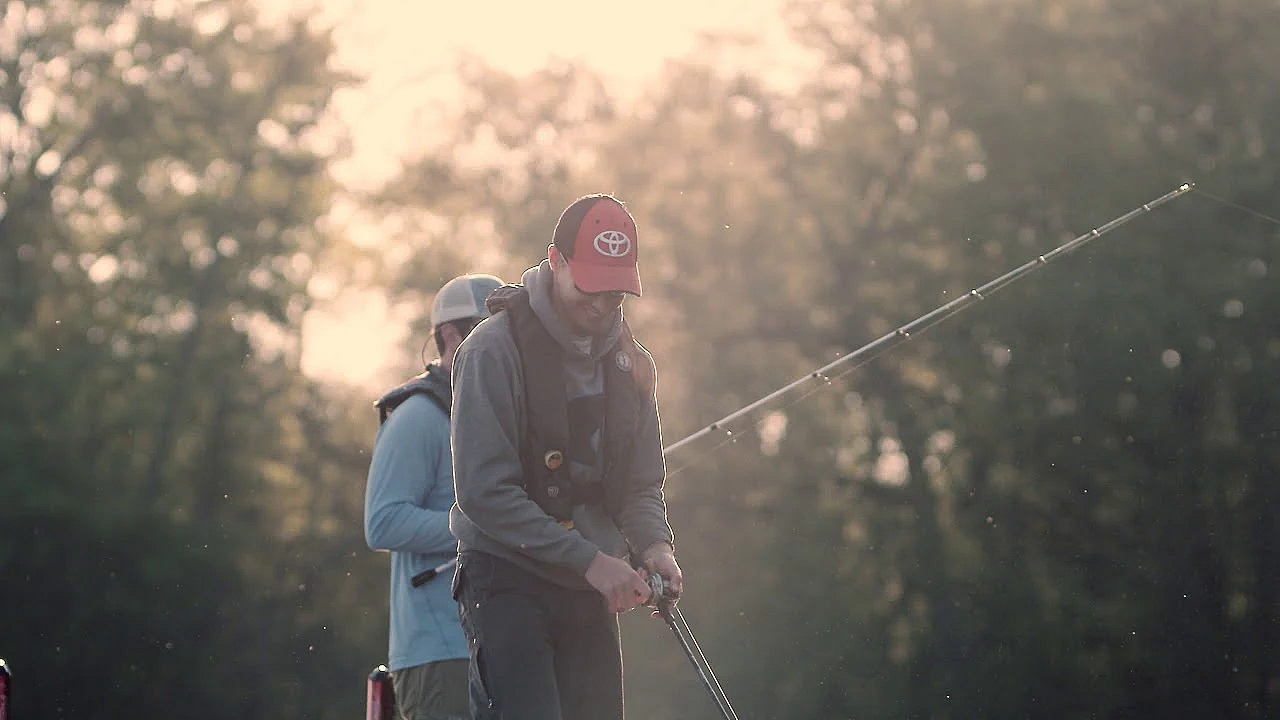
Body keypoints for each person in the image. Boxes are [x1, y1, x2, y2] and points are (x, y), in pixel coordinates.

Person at [449, 194, 682, 720]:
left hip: (587, 581)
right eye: (590, 289)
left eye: (616, 295)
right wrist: (591, 561)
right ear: (556, 261)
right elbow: (485, 495)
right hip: (505, 577)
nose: (601, 307)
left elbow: (641, 485)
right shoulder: (490, 352)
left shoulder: (634, 366)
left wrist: (654, 544)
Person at [365, 272, 505, 720]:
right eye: (483, 330)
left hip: (499, 642)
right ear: (449, 334)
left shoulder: (498, 412)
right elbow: (382, 522)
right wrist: (481, 524)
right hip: (439, 654)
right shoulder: (416, 417)